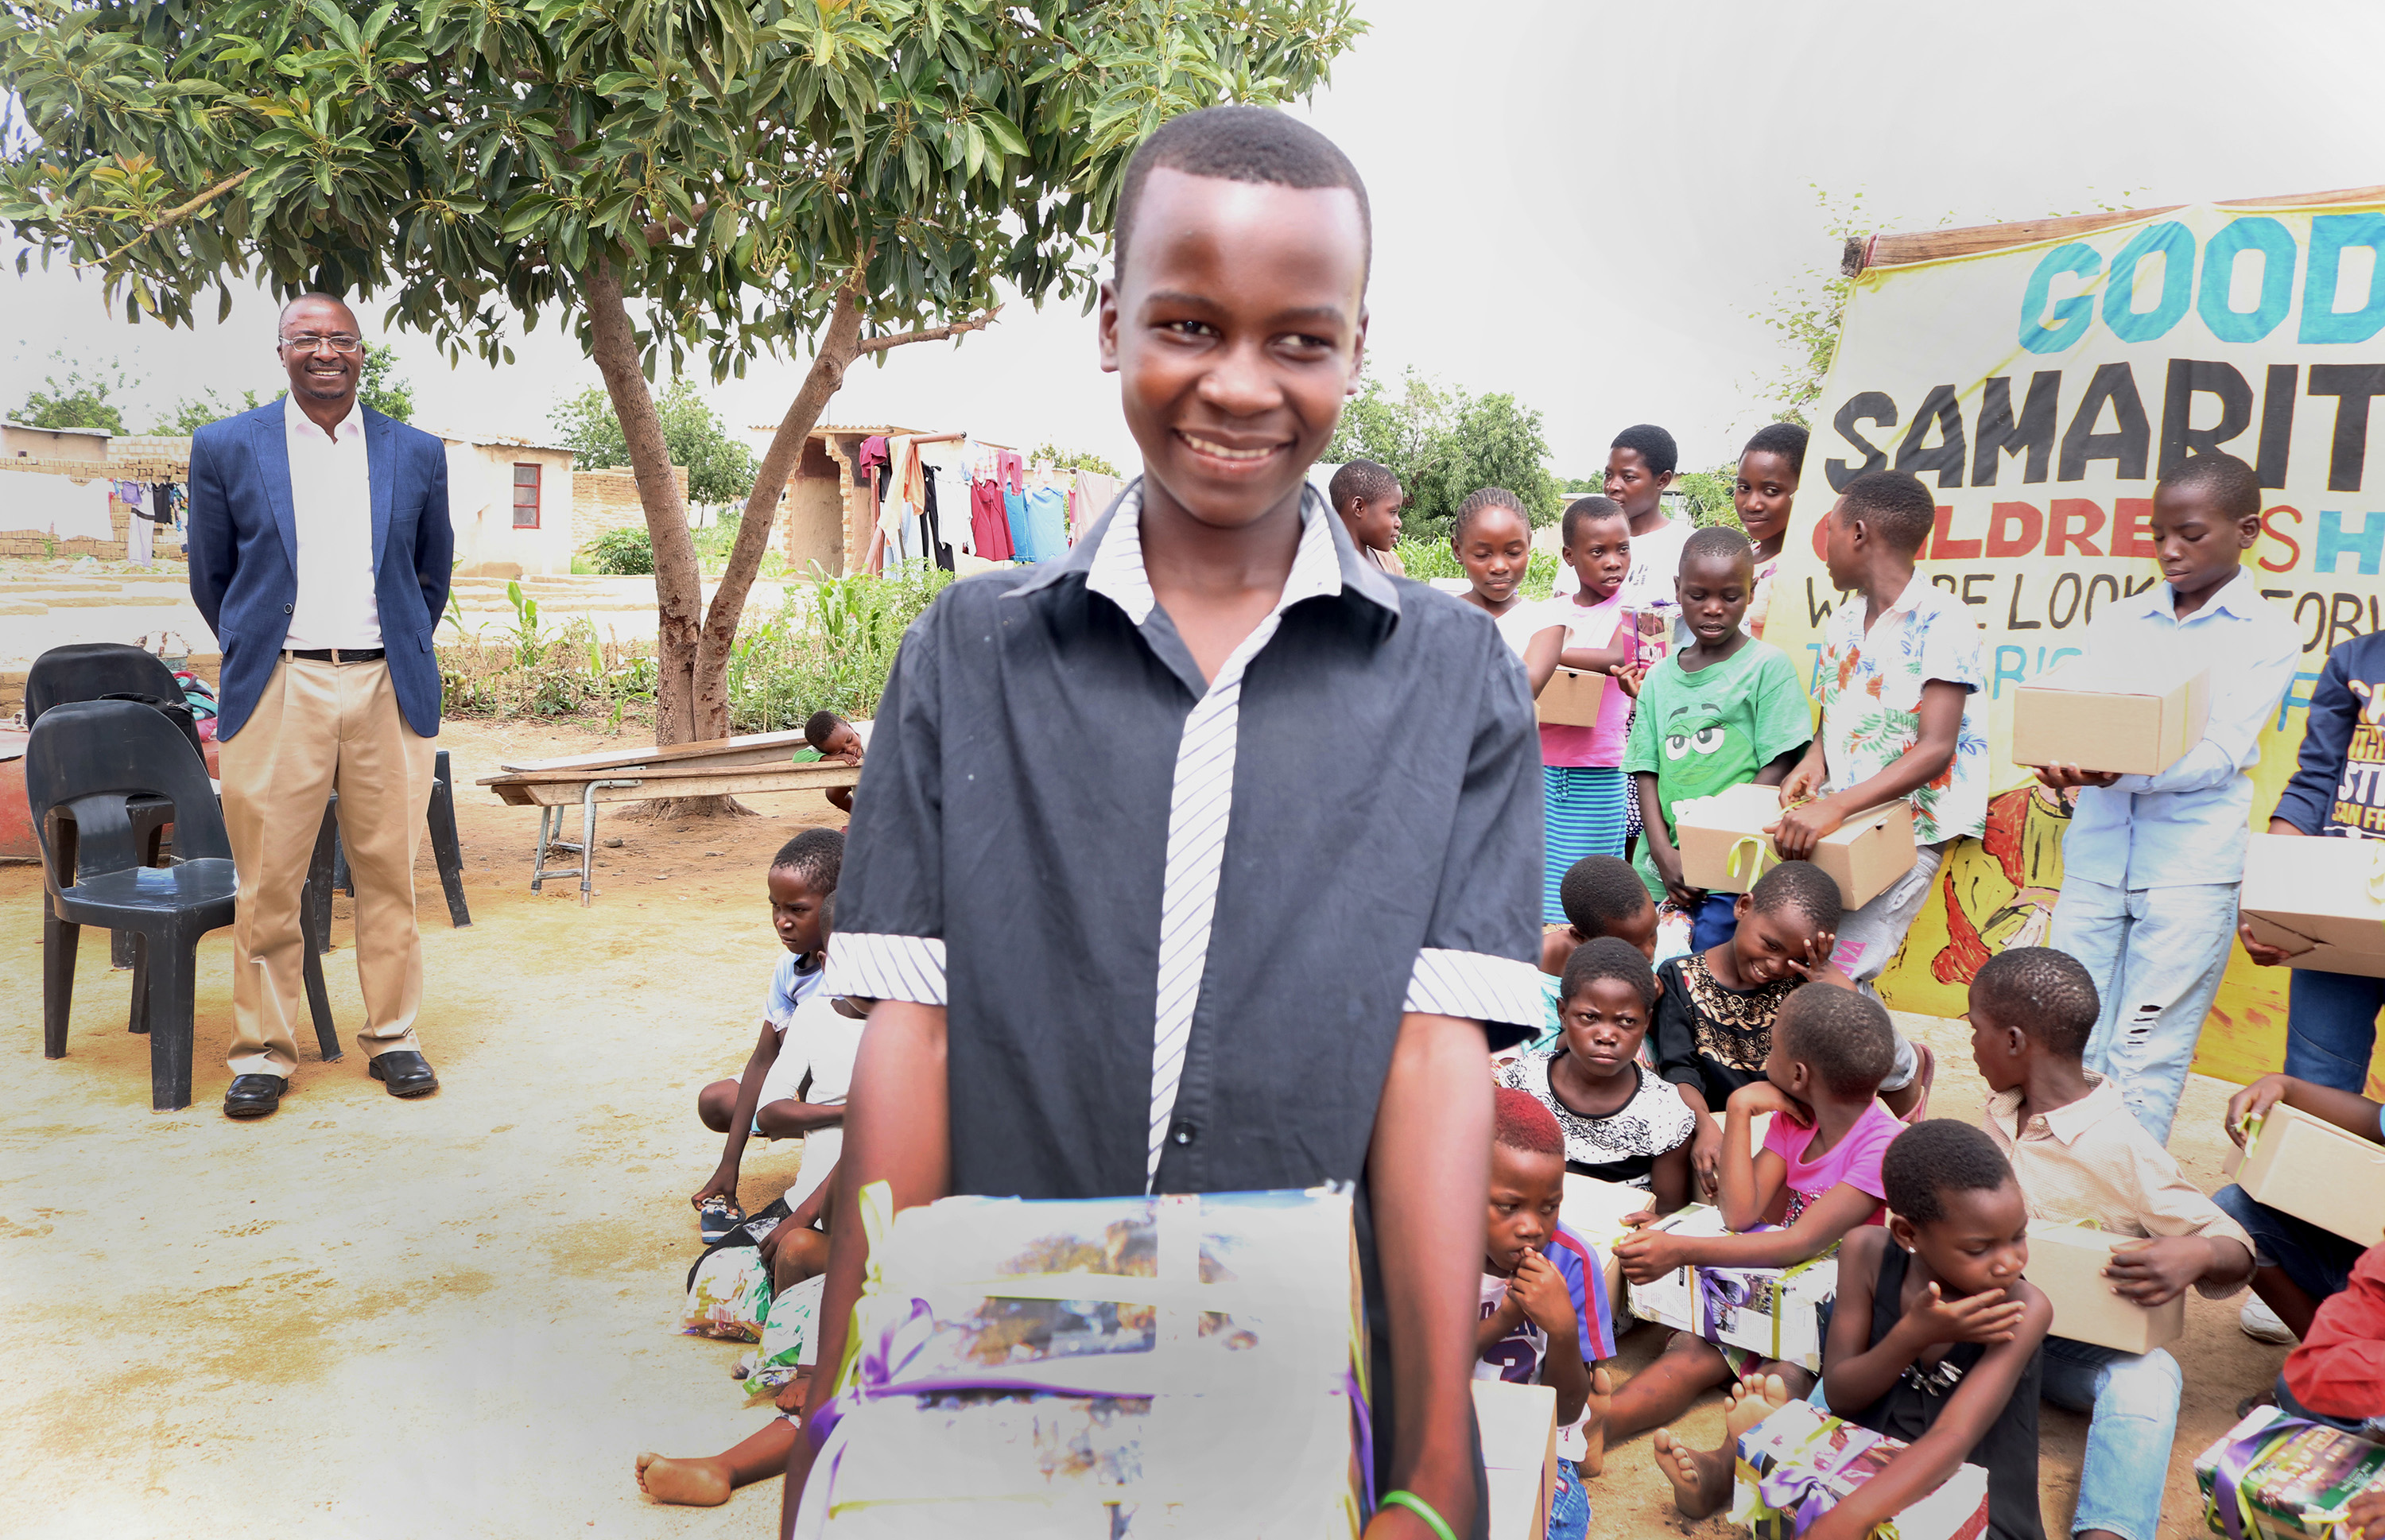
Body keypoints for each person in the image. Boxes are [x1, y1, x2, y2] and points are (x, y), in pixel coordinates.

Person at [797, 106, 1546, 1540]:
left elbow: (1431, 1052)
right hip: (1000, 1365)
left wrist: (1437, 1448)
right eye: (1190, 324)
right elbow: (917, 1033)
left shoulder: (1452, 677)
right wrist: (843, 1410)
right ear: (1111, 322)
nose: (1242, 385)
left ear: (1356, 349)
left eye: (1300, 339)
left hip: (1298, 1396)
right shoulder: (969, 651)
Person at [186, 293, 454, 1119]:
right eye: (307, 337)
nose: (325, 350)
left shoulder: (413, 452)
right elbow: (214, 578)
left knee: (387, 872)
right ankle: (264, 1051)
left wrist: (389, 645)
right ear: (281, 351)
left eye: (340, 337)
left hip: (385, 685)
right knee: (268, 877)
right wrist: (268, 649)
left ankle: (394, 1037)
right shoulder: (228, 446)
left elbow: (429, 572)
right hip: (279, 684)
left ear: (362, 352)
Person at [2031, 452, 2298, 1146]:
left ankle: (2125, 1215)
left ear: (2247, 530)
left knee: (2146, 1055)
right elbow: (2080, 714)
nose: (2169, 551)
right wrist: (2062, 758)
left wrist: (2115, 771)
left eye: (2190, 533)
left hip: (2189, 871)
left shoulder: (2267, 636)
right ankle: (2060, 1205)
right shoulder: (2120, 620)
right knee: (2066, 1040)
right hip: (2095, 861)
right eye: (2157, 536)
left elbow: (2218, 754)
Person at [1967, 946, 2253, 1540]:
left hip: (2061, 1351)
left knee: (2150, 1374)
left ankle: (2110, 1531)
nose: (1970, 1044)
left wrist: (2197, 1253)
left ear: (2016, 1042)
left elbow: (2234, 1243)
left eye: (1977, 1030)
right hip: (1975, 1326)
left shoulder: (2120, 1145)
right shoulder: (1998, 1111)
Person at [1688, 1120, 2051, 1540]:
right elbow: (1841, 1392)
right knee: (1801, 1503)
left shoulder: (2024, 1308)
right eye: (1979, 1248)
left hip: (1973, 1496)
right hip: (1862, 1460)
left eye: (2018, 1237)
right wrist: (1911, 1335)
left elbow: (1954, 1437)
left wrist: (1852, 1517)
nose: (2009, 1262)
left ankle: (1774, 1443)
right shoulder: (1867, 1253)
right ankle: (1764, 1452)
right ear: (1907, 1234)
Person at [1602, 987, 1905, 1449]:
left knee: (1780, 1379)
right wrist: (1740, 1110)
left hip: (1835, 1320)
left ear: (1799, 1073)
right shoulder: (1796, 1123)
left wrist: (1679, 1248)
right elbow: (1740, 1214)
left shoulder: (1881, 1145)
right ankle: (1599, 1427)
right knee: (1690, 1350)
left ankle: (1725, 1469)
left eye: (1774, 1048)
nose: (1767, 1056)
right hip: (1768, 1290)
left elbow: (1798, 1243)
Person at [1774, 468, 1988, 1004]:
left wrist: (1836, 806)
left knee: (1837, 977)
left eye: (1830, 531)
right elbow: (1837, 710)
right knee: (1819, 968)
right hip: (1846, 827)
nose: (1823, 548)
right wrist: (1814, 761)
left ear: (1860, 533)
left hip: (1907, 835)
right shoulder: (1843, 620)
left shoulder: (1944, 620)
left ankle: (1904, 1076)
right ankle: (1902, 1073)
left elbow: (1936, 748)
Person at [1623, 525, 1811, 947]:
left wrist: (1710, 845)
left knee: (1712, 971)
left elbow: (1780, 764)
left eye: (1730, 596)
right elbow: (1645, 772)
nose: (1713, 609)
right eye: (1697, 595)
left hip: (1734, 863)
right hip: (1662, 869)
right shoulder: (1658, 679)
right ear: (1677, 589)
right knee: (1649, 969)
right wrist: (1662, 854)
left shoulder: (1767, 667)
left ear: (1752, 588)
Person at [2238, 626, 2385, 1094]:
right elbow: (2316, 779)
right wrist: (2273, 905)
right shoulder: (2355, 659)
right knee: (2314, 1088)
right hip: (2340, 912)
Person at [692, 828, 843, 1241]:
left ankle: (830, 1154)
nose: (782, 920)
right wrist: (729, 1165)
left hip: (854, 1099)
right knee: (716, 1101)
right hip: (803, 1097)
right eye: (774, 907)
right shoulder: (788, 971)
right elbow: (763, 1060)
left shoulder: (859, 975)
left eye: (797, 908)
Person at [1478, 1087, 1607, 1528]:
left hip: (1531, 1443)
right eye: (1508, 1207)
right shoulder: (1430, 1252)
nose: (1532, 1227)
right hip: (1444, 1429)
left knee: (1556, 1516)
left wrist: (1565, 1331)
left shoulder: (1572, 1261)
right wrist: (1507, 1319)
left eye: (1549, 1207)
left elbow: (1567, 1411)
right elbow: (1424, 1374)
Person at [1500, 937, 1693, 1204]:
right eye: (1589, 1017)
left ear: (1646, 1021)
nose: (1606, 1035)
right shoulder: (1525, 1081)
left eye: (1626, 1021)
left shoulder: (1665, 1111)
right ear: (1563, 1013)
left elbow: (1667, 1214)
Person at [2214, 1072, 2383, 1343]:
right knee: (2237, 1209)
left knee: (2288, 1388)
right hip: (2372, 1267)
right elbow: (2375, 1121)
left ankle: (2348, 1371)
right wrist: (2285, 1086)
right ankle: (2324, 1357)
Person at [1538, 497, 1638, 925]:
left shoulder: (1633, 611)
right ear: (1569, 556)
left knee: (1592, 887)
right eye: (1598, 552)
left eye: (1623, 549)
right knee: (1540, 882)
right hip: (1541, 768)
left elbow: (1616, 655)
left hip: (1599, 771)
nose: (1613, 562)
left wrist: (1551, 651)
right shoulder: (1552, 611)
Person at [1534, 854, 1660, 1043]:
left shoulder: (1672, 949)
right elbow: (1540, 1049)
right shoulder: (1540, 972)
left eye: (1653, 933)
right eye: (1631, 947)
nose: (1649, 954)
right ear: (1582, 939)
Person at [1452, 485, 1565, 696]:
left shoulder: (1546, 620)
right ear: (1458, 550)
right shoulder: (1439, 613)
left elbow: (1523, 687)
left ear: (1528, 544)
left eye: (1513, 553)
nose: (1499, 566)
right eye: (1482, 554)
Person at [1733, 423, 1805, 641]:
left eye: (1771, 491)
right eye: (1744, 488)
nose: (1752, 504)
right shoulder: (1739, 557)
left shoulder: (1808, 568)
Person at [1331, 458, 1407, 576]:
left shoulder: (1391, 562)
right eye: (1393, 512)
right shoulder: (1324, 568)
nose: (1399, 523)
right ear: (1359, 507)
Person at [803, 709, 869, 816]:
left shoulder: (871, 738)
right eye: (840, 751)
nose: (850, 749)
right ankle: (862, 817)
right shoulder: (830, 744)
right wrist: (834, 758)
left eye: (849, 740)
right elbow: (799, 757)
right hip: (863, 789)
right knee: (832, 793)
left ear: (850, 727)